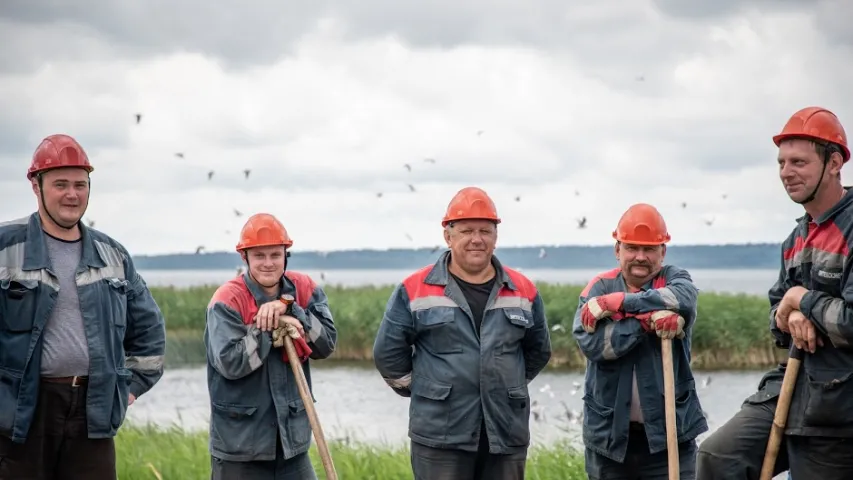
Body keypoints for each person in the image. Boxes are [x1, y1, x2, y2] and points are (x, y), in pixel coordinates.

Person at [696, 106, 852, 480]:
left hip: (840, 404)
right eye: (782, 162)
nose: (786, 173)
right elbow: (777, 321)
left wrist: (802, 300)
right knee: (717, 458)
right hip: (790, 387)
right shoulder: (794, 241)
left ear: (834, 162)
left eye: (798, 162)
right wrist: (791, 312)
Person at [0, 134, 167, 479]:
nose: (72, 194)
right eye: (60, 184)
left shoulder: (113, 256)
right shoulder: (5, 247)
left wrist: (128, 388)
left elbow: (150, 334)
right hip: (20, 413)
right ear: (36, 185)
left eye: (80, 184)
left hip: (94, 410)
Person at [373, 186, 552, 480]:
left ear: (496, 236)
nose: (477, 239)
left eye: (485, 231)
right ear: (448, 235)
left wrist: (504, 385)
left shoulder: (523, 290)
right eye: (467, 230)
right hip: (439, 434)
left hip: (505, 430)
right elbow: (388, 355)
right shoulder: (414, 289)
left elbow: (538, 351)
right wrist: (424, 391)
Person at [572, 203, 708, 480]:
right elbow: (595, 345)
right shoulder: (598, 288)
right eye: (632, 248)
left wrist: (621, 303)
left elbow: (683, 299)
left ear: (663, 252)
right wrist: (644, 323)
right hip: (609, 440)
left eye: (649, 249)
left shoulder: (675, 279)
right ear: (617, 249)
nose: (640, 257)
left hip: (671, 436)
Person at [204, 212, 338, 480]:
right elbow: (232, 364)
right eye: (259, 256)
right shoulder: (227, 300)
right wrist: (270, 327)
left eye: (275, 255)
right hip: (241, 449)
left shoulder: (305, 288)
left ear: (286, 254)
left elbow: (326, 345)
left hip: (292, 448)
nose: (268, 263)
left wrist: (293, 310)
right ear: (245, 257)